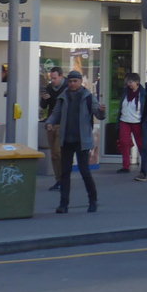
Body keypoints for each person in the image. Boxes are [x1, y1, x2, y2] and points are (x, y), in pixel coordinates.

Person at [44, 70, 106, 213]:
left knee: (85, 172)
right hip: (66, 139)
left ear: (80, 82)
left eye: (75, 81)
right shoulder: (63, 96)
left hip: (82, 140)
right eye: (70, 81)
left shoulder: (88, 97)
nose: (72, 84)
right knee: (65, 173)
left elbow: (99, 114)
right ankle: (63, 204)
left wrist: (102, 111)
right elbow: (56, 113)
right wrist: (50, 122)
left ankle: (92, 200)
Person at [40, 66, 66, 191]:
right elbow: (44, 106)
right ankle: (58, 179)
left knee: (58, 152)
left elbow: (60, 105)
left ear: (61, 76)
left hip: (62, 123)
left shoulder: (67, 87)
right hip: (51, 122)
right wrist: (45, 99)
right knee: (54, 154)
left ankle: (63, 179)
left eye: (55, 78)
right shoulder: (49, 88)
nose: (53, 81)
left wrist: (51, 99)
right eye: (51, 78)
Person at [117, 72, 145, 173]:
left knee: (141, 144)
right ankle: (125, 166)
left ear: (137, 82)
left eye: (131, 82)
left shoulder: (143, 93)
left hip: (137, 121)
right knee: (124, 142)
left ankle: (145, 165)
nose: (129, 84)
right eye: (128, 82)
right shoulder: (125, 92)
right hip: (124, 120)